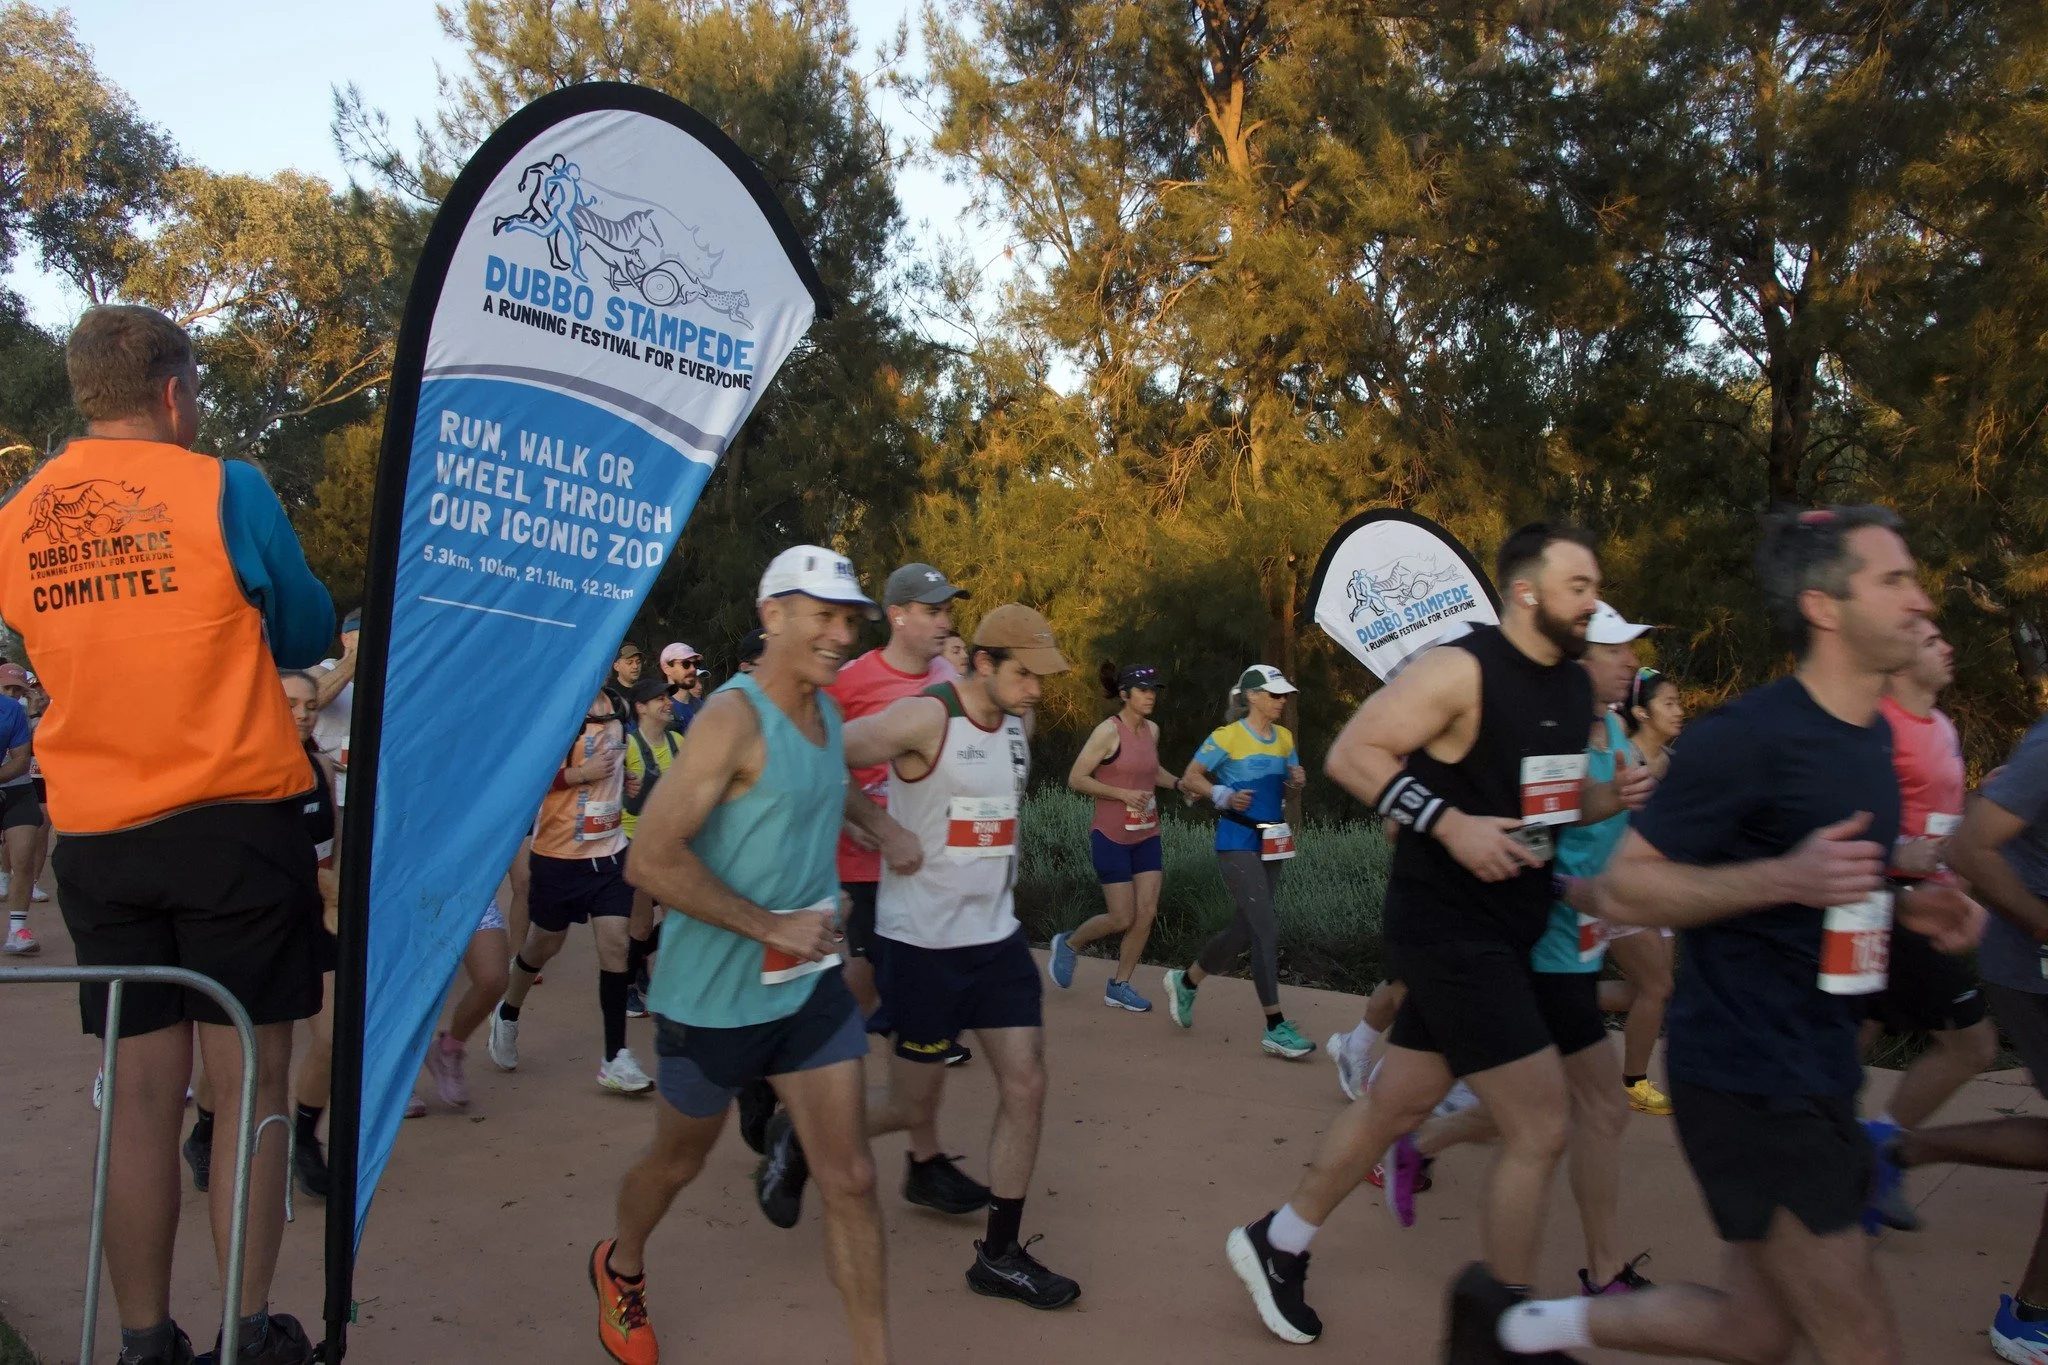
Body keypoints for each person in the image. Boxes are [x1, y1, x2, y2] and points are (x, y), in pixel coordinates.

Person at [1492, 505, 1983, 1365]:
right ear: (1825, 606)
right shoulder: (1751, 737)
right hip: (1751, 1077)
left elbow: (1826, 886)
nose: (1919, 600)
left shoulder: (1869, 736)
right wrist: (1786, 876)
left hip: (1823, 1067)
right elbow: (1623, 883)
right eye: (1893, 580)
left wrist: (1903, 902)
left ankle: (1525, 1327)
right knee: (1863, 1339)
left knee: (1753, 1330)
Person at [0, 305, 333, 1365]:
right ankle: (248, 1330)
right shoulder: (223, 487)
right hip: (232, 821)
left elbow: (41, 640)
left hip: (100, 834)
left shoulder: (18, 518)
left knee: (139, 1095)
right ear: (174, 393)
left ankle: (145, 1341)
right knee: (251, 1085)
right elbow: (306, 627)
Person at [1226, 522, 1650, 1349]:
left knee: (1399, 1102)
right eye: (1578, 587)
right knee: (1541, 1125)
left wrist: (1610, 798)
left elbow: (1546, 806)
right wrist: (1451, 824)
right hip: (1448, 930)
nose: (1591, 603)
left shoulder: (1571, 693)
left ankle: (1278, 1241)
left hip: (1513, 929)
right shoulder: (1463, 668)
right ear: (1525, 591)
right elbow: (1355, 753)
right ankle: (1503, 1335)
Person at [589, 545, 917, 1365]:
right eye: (824, 616)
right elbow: (649, 859)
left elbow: (827, 781)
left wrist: (882, 827)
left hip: (807, 989)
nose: (841, 634)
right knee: (677, 1162)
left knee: (851, 1178)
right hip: (712, 998)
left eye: (850, 619)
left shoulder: (825, 709)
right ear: (774, 615)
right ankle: (620, 1264)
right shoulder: (730, 720)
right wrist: (772, 925)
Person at [811, 603, 1080, 1309]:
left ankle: (1000, 1255)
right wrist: (876, 825)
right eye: (1025, 675)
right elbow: (823, 748)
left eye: (1042, 678)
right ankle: (796, 1129)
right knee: (909, 1104)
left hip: (995, 938)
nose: (1036, 691)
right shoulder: (925, 718)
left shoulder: (1017, 724)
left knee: (1026, 1083)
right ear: (983, 662)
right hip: (923, 944)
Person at [1860, 620, 1995, 1229]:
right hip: (1891, 906)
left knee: (1855, 1029)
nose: (1948, 647)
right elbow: (1843, 816)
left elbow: (1942, 818)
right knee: (1972, 1043)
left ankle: (1820, 1151)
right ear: (1899, 659)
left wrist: (1983, 807)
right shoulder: (1878, 725)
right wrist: (1897, 854)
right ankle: (1877, 1157)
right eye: (1932, 641)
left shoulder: (1940, 725)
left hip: (1931, 906)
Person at [1927, 717, 2048, 1362]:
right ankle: (2030, 1317)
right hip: (2033, 971)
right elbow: (1970, 848)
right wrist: (2044, 925)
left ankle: (1897, 1150)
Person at [486, 684, 654, 1095]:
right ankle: (508, 1012)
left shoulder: (617, 705)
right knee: (545, 943)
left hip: (609, 852)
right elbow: (524, 776)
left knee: (615, 945)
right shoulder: (556, 702)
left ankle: (615, 1058)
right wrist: (580, 774)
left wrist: (624, 779)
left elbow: (610, 763)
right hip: (559, 856)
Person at [828, 563, 968, 1025]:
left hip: (931, 861)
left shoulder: (952, 681)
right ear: (897, 615)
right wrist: (850, 820)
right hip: (866, 864)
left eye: (947, 612)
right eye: (932, 612)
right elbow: (816, 760)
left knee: (922, 987)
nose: (945, 623)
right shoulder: (849, 681)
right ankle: (824, 1057)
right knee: (866, 983)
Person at [1164, 665, 1314, 1058]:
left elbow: (1286, 796)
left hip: (1272, 840)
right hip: (1236, 841)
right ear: (1252, 696)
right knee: (1266, 928)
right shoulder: (1226, 736)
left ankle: (1187, 982)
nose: (1281, 701)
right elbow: (1191, 777)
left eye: (1284, 695)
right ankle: (1275, 1026)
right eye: (1274, 694)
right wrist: (1224, 796)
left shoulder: (1285, 738)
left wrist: (1295, 784)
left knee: (1244, 929)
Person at [1050, 663, 1180, 1010]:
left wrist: (1179, 784)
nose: (1150, 696)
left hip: (1147, 834)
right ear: (1124, 694)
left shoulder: (1152, 730)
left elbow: (1151, 771)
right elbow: (1077, 778)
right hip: (1110, 836)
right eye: (1143, 690)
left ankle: (1120, 984)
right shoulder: (1108, 732)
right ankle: (1070, 944)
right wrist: (1122, 795)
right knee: (1122, 917)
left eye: (1154, 690)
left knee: (1147, 911)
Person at [1597, 667, 1687, 1113]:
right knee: (1658, 985)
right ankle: (1634, 1083)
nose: (1679, 710)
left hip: (1658, 890)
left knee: (1648, 991)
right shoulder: (1621, 756)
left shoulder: (1677, 763)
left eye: (1678, 702)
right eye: (1668, 703)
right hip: (1617, 886)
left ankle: (1553, 998)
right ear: (1641, 712)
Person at [622, 674, 683, 1018]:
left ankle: (665, 982)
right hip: (635, 844)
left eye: (668, 697)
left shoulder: (678, 741)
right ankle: (629, 983)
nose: (667, 703)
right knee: (641, 923)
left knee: (678, 918)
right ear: (641, 707)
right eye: (660, 698)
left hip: (671, 843)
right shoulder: (627, 745)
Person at [0, 664, 36, 953]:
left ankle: (17, 931)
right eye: (7, 687)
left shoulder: (12, 710)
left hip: (16, 790)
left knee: (23, 854)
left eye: (16, 689)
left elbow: (22, 759)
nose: (12, 693)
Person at [310, 608, 357, 810]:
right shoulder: (323, 670)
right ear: (345, 638)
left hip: (369, 796)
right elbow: (314, 698)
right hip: (329, 794)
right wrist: (356, 659)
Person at [660, 642, 703, 732]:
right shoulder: (659, 709)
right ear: (666, 669)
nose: (693, 669)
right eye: (685, 664)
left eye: (696, 664)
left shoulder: (702, 707)